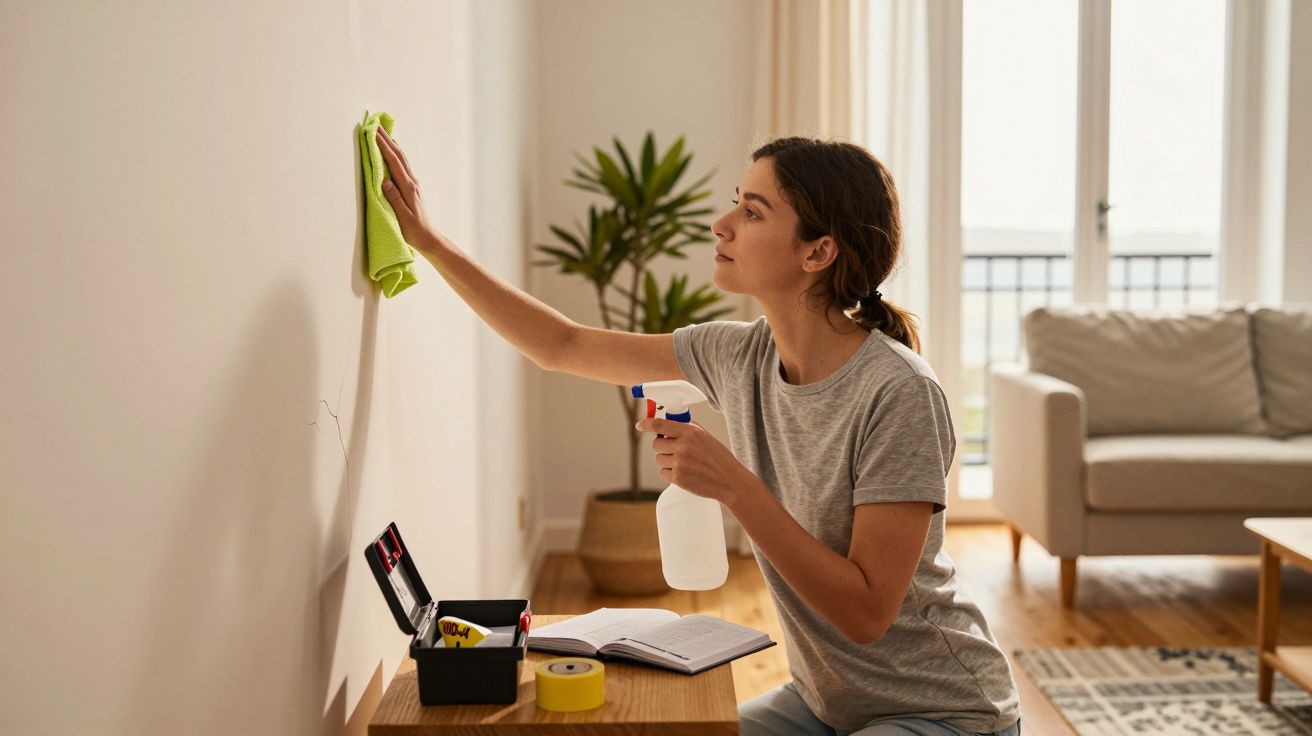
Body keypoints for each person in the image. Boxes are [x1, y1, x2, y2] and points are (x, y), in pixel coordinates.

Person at [373, 128, 1021, 735]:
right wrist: (430, 242)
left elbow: (866, 613)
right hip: (827, 704)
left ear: (818, 252)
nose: (723, 223)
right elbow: (562, 345)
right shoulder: (738, 355)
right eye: (737, 203)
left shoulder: (899, 393)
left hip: (944, 712)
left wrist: (737, 489)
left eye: (754, 212)